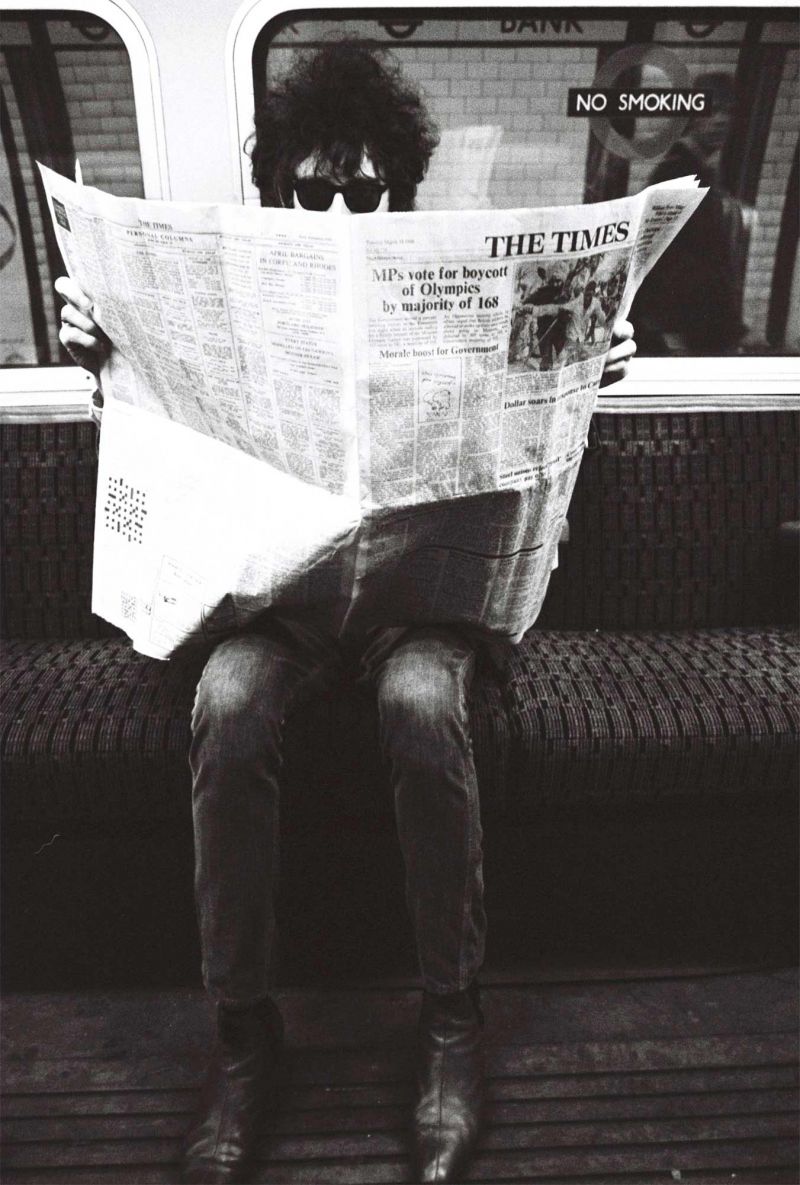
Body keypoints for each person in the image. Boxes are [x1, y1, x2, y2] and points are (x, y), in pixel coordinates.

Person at [55, 40, 636, 1185]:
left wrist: (586, 366)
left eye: (364, 192)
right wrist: (104, 356)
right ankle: (240, 1034)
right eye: (313, 191)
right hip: (281, 601)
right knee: (227, 700)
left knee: (423, 699)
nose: (338, 208)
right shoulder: (237, 282)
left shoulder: (441, 273)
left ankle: (449, 1022)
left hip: (422, 602)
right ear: (278, 190)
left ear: (399, 194)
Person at [631, 72, 749, 355]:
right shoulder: (678, 174)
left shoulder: (699, 172)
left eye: (728, 111)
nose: (721, 120)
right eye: (712, 109)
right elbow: (666, 262)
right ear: (692, 116)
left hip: (696, 332)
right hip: (686, 336)